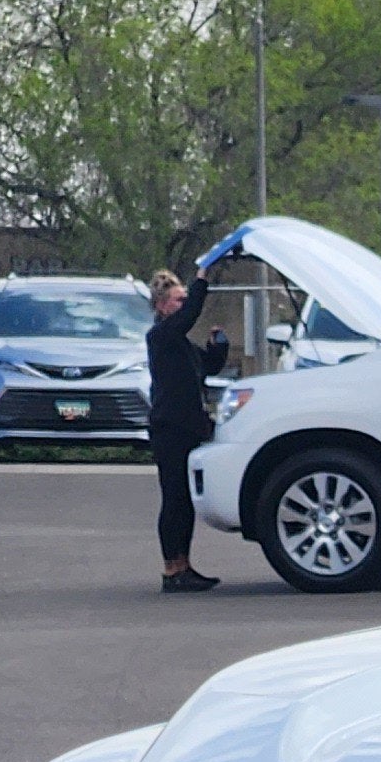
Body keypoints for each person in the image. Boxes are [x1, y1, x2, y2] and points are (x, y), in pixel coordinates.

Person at [145, 254, 233, 593]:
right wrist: (202, 277)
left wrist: (218, 347)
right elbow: (191, 313)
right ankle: (171, 568)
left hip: (188, 427)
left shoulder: (180, 343)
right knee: (173, 498)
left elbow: (208, 367)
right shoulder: (161, 337)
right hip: (169, 428)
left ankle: (184, 564)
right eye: (179, 300)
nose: (185, 305)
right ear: (165, 307)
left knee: (184, 501)